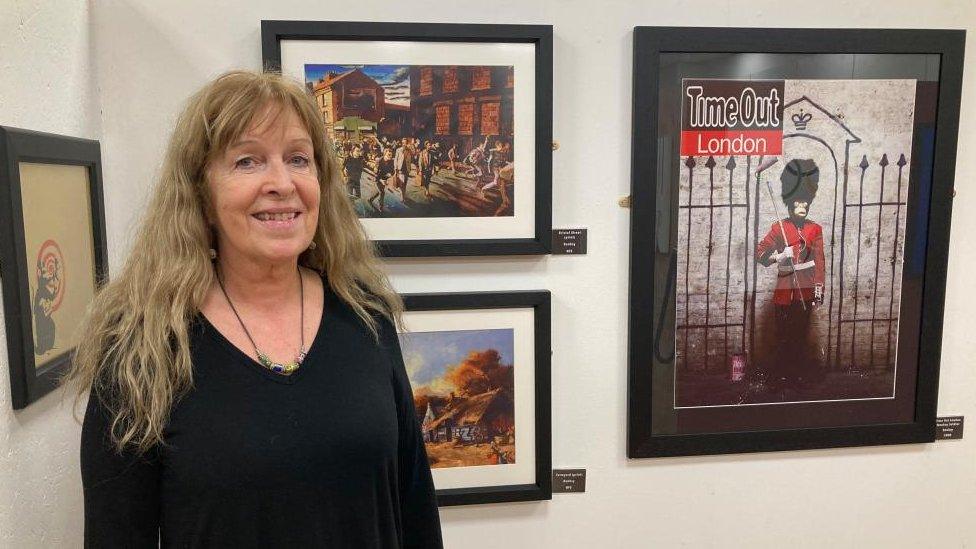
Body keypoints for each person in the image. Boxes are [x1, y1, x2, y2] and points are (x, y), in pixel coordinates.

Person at [64, 70, 443, 548]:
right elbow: (115, 537)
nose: (282, 183)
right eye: (248, 161)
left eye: (298, 159)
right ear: (201, 195)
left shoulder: (365, 316)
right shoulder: (140, 347)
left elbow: (416, 511)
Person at [755, 158, 826, 389]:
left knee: (800, 336)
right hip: (784, 292)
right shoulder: (779, 228)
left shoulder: (815, 229)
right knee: (783, 336)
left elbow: (819, 262)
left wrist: (818, 291)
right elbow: (760, 254)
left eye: (806, 202)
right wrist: (780, 255)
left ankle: (796, 376)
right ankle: (782, 376)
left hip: (805, 291)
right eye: (798, 202)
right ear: (789, 203)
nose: (803, 206)